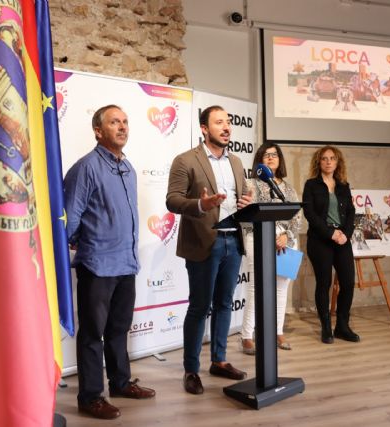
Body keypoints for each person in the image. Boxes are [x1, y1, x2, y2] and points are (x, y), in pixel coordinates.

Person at [64, 105, 155, 420]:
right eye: (114, 122)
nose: (122, 127)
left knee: (119, 328)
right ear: (98, 131)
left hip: (126, 263)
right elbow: (69, 217)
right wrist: (79, 239)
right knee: (92, 334)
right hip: (98, 266)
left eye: (125, 122)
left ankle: (120, 383)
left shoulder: (127, 168)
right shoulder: (86, 168)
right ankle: (90, 397)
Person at [166, 105, 253, 395]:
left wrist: (246, 203)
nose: (226, 127)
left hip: (233, 241)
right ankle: (191, 369)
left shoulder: (237, 162)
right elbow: (172, 200)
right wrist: (201, 205)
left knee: (225, 304)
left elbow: (241, 197)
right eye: (219, 122)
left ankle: (219, 360)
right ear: (204, 129)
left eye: (228, 122)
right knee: (200, 307)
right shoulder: (185, 160)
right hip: (205, 242)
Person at [240, 143, 302, 355]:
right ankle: (247, 336)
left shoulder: (289, 189)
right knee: (255, 287)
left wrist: (287, 236)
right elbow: (245, 215)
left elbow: (296, 218)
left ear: (280, 159)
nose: (270, 158)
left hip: (285, 240)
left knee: (281, 288)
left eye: (274, 154)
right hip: (257, 236)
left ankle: (277, 332)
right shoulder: (250, 184)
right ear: (259, 160)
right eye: (266, 155)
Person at [302, 146, 360, 344]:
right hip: (320, 240)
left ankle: (342, 326)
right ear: (318, 162)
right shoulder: (311, 185)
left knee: (348, 283)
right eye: (324, 158)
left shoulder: (343, 185)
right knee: (324, 283)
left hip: (342, 239)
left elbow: (351, 212)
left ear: (337, 162)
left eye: (332, 158)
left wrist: (346, 235)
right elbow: (310, 214)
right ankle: (326, 327)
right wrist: (330, 233)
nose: (328, 162)